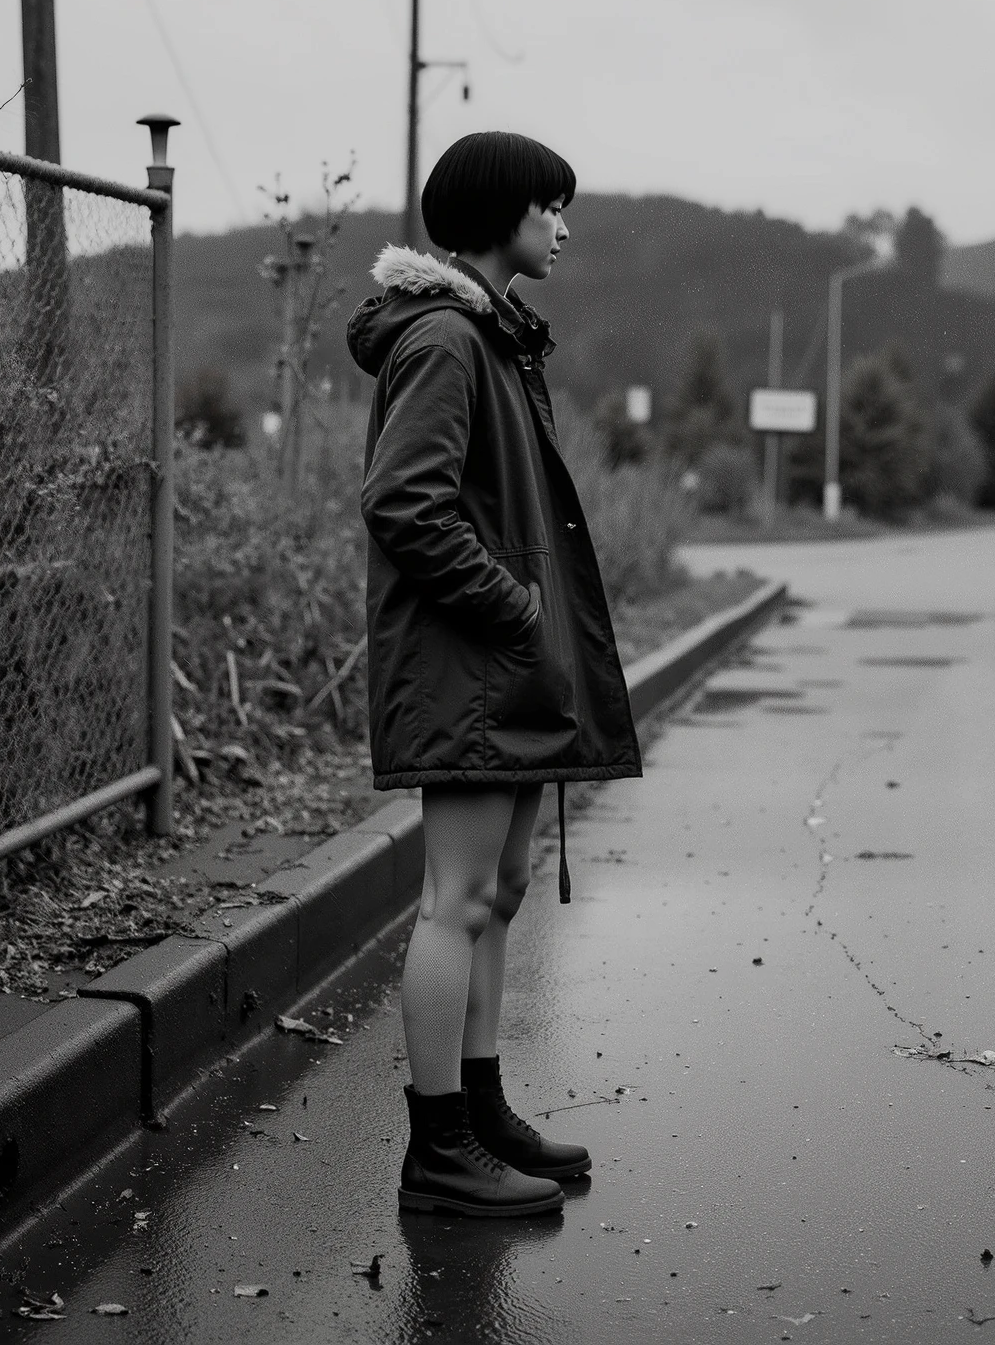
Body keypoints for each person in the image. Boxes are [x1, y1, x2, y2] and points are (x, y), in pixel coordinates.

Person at [346, 131, 642, 1219]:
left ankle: (479, 1110)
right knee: (455, 898)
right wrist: (513, 608)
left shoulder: (491, 336)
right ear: (500, 211)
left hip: (501, 667)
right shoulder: (445, 342)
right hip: (469, 664)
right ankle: (438, 1153)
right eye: (551, 207)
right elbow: (402, 504)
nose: (562, 228)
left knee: (499, 892)